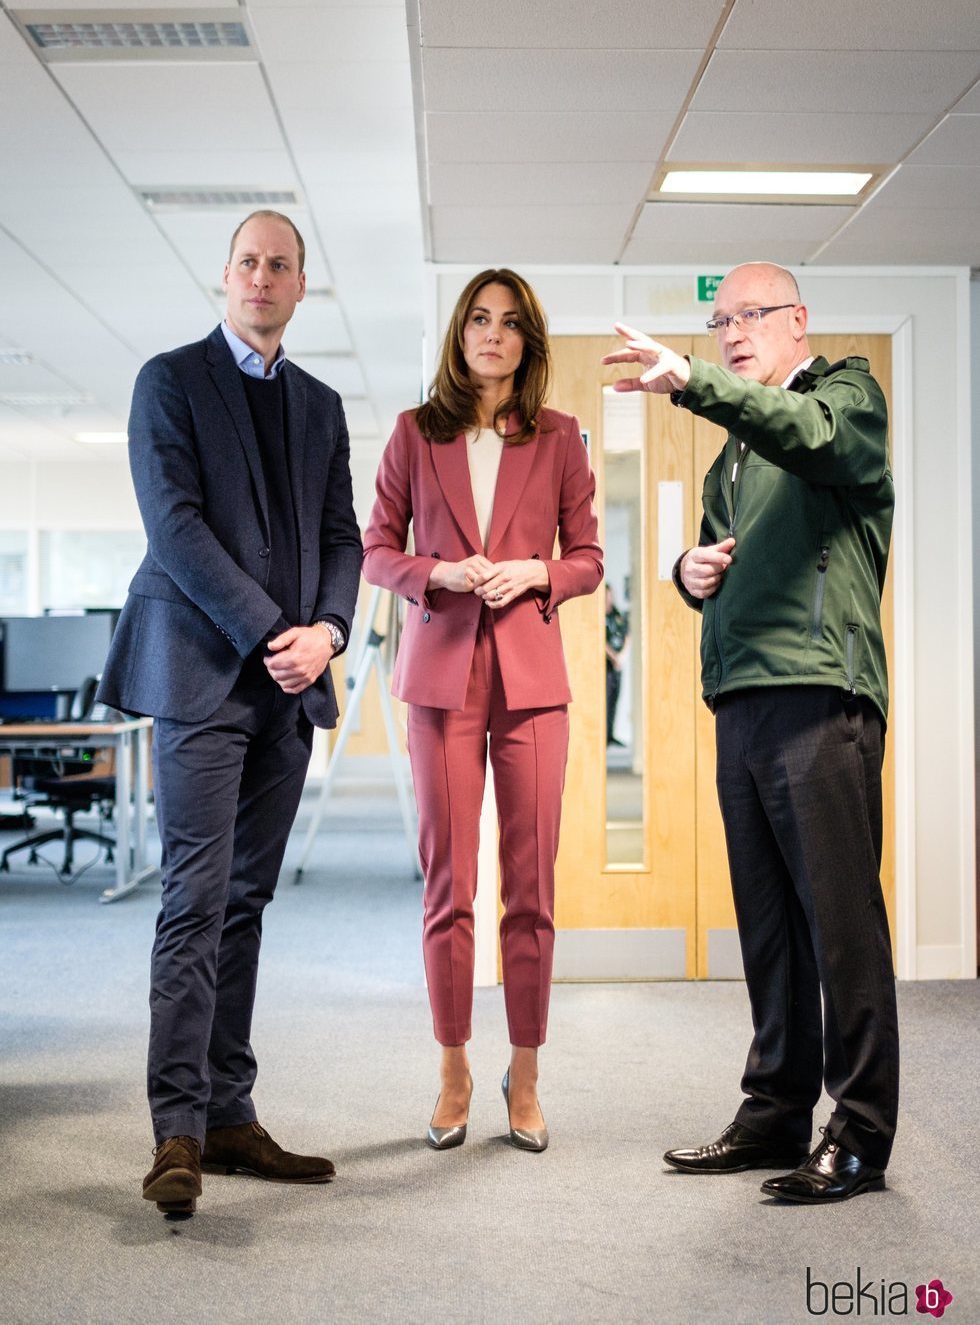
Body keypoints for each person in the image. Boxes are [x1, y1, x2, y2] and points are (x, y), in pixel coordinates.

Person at [603, 262, 899, 1204]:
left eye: (750, 316)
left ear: (798, 322)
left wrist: (691, 379)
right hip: (742, 700)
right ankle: (776, 1111)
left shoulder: (845, 396)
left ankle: (860, 1132)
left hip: (821, 695)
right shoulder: (732, 450)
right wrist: (684, 572)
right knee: (769, 927)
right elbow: (715, 559)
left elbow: (807, 436)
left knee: (840, 924)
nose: (732, 331)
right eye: (719, 321)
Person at [99, 211, 362, 1215]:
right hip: (203, 675)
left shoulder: (320, 404)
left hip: (289, 685)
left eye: (280, 265)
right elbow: (174, 528)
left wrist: (328, 632)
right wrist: (271, 632)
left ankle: (227, 1112)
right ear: (226, 278)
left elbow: (341, 535)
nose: (262, 276)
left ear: (302, 287)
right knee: (194, 896)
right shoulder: (168, 381)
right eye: (248, 262)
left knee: (246, 901)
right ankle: (175, 1131)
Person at [363, 268, 602, 1153]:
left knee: (530, 887)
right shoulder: (413, 436)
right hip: (439, 677)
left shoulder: (563, 437)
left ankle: (526, 1074)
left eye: (508, 323)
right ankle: (455, 1068)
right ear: (459, 335)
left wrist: (538, 572)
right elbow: (376, 549)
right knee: (449, 885)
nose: (491, 335)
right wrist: (438, 573)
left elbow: (587, 557)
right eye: (477, 320)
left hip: (534, 681)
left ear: (526, 342)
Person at [604, 585, 629, 746]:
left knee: (614, 699)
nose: (609, 598)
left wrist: (621, 657)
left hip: (617, 666)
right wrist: (613, 657)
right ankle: (604, 735)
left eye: (610, 595)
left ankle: (611, 734)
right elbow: (601, 639)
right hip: (605, 665)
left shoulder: (617, 614)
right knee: (605, 700)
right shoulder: (599, 616)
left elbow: (627, 635)